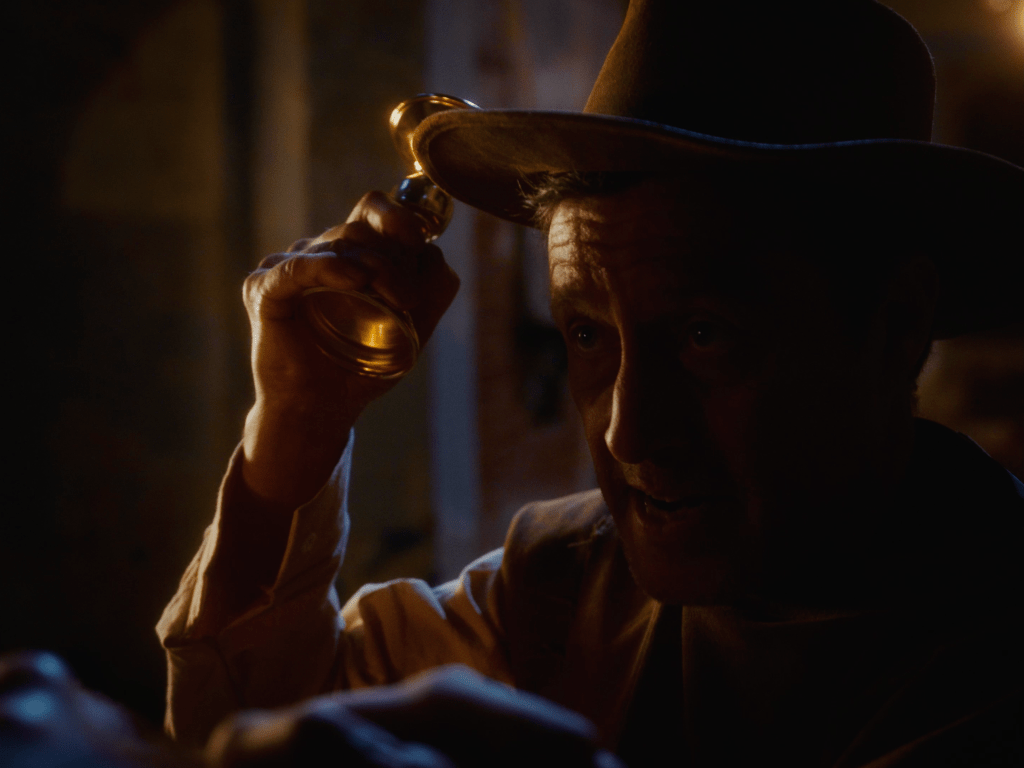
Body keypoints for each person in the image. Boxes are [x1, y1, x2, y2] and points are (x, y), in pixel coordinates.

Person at [158, 1, 1023, 766]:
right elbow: (253, 735)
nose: (628, 431)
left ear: (896, 326)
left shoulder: (988, 657)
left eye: (704, 335)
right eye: (587, 335)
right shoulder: (564, 584)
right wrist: (300, 420)